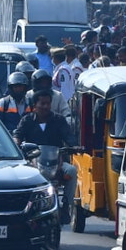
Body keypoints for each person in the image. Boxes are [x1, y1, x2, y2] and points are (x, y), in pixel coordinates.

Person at [13, 87, 78, 225]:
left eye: (48, 103)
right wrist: (16, 142)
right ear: (34, 105)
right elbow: (17, 135)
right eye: (42, 104)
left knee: (72, 171)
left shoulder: (59, 120)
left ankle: (66, 205)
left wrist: (74, 146)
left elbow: (68, 136)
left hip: (56, 163)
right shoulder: (27, 120)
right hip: (33, 164)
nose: (45, 107)